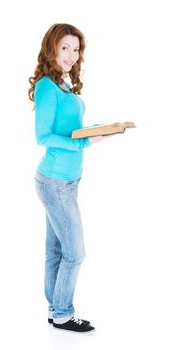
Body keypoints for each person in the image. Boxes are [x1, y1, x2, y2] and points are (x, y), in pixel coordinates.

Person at [28, 23, 117, 334]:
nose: (71, 54)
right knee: (75, 253)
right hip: (54, 181)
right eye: (65, 47)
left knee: (56, 250)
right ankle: (64, 313)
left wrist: (97, 131)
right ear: (52, 47)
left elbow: (67, 129)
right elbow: (43, 136)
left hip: (67, 180)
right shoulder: (46, 87)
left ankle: (56, 311)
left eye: (76, 49)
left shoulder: (63, 85)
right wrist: (84, 143)